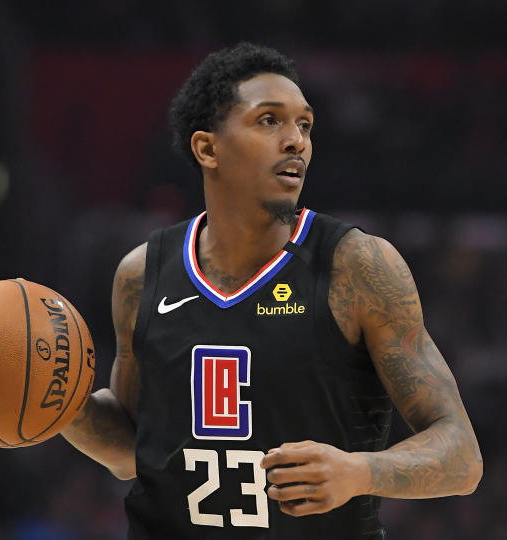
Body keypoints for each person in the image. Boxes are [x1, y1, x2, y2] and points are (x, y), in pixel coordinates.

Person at [61, 42, 482, 539]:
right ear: (207, 148)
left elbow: (462, 454)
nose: (296, 141)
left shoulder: (355, 266)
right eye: (269, 121)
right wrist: (55, 408)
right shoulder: (141, 276)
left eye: (304, 125)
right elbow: (132, 451)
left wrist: (360, 472)